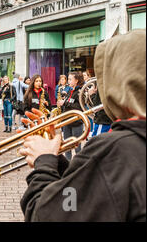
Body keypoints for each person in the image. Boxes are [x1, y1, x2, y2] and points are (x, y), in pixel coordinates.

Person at [19, 30, 146, 221]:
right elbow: (94, 195)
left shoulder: (114, 150)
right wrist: (57, 160)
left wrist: (43, 162)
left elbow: (48, 215)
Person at [56, 72, 85, 160]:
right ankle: (68, 163)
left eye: (70, 79)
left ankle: (78, 165)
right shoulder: (69, 90)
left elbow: (80, 107)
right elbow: (69, 103)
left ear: (76, 81)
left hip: (76, 122)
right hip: (67, 121)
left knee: (77, 146)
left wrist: (65, 102)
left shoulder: (80, 91)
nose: (68, 81)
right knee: (66, 145)